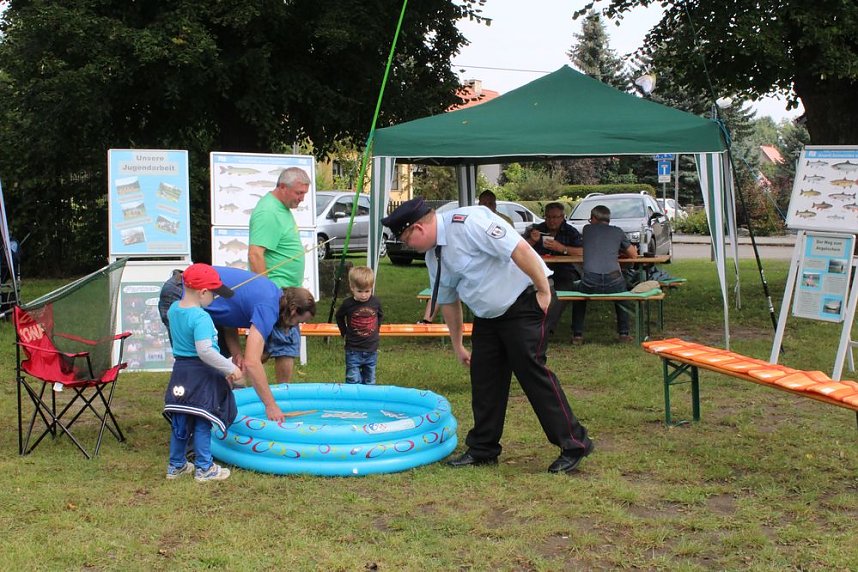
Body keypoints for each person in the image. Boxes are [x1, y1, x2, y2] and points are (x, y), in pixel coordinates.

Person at [381, 197, 593, 474]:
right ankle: (483, 448)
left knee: (531, 371)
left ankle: (574, 443)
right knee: (485, 379)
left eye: (408, 240)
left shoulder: (469, 223)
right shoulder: (435, 255)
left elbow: (518, 249)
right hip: (488, 317)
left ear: (418, 229)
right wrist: (457, 344)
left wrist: (543, 290)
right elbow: (448, 301)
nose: (410, 247)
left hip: (523, 302)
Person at [160, 266, 317, 422]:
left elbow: (229, 316)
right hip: (183, 290)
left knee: (212, 361)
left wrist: (236, 354)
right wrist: (271, 405)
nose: (294, 327)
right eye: (299, 322)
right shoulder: (268, 307)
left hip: (186, 285)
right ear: (294, 310)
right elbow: (253, 362)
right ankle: (186, 422)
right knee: (192, 362)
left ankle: (207, 416)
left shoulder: (271, 294)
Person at [163, 264, 242, 482]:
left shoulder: (173, 310)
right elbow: (205, 351)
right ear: (203, 292)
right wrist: (230, 368)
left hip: (180, 372)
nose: (215, 298)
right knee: (201, 420)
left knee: (181, 419)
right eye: (214, 294)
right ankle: (205, 468)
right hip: (201, 374)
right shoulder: (201, 318)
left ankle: (176, 464)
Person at [249, 166, 311, 383]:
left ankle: (235, 378)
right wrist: (269, 293)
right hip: (278, 292)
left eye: (304, 193)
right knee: (285, 345)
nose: (302, 199)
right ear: (283, 187)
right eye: (299, 193)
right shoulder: (269, 212)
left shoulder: (281, 208)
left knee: (269, 348)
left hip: (285, 291)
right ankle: (282, 396)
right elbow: (255, 254)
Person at [570, 205, 638, 344]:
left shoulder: (587, 229)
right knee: (622, 293)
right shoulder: (618, 232)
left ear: (593, 218)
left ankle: (577, 334)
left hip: (590, 280)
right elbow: (633, 255)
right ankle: (623, 333)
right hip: (613, 279)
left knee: (578, 294)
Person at [524, 202, 583, 335]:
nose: (551, 221)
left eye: (555, 217)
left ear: (562, 217)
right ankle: (530, 325)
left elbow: (583, 252)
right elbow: (518, 248)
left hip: (564, 270)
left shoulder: (570, 231)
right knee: (529, 290)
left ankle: (546, 327)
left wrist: (561, 248)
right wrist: (533, 241)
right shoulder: (536, 230)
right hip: (539, 270)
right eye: (548, 217)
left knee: (562, 291)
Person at [335, 266, 383, 385]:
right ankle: (352, 402)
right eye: (360, 291)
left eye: (367, 291)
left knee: (370, 380)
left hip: (371, 348)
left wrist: (376, 330)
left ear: (371, 288)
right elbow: (339, 316)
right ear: (352, 288)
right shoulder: (348, 304)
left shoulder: (375, 302)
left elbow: (380, 315)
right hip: (353, 349)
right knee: (352, 379)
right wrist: (344, 332)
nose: (364, 295)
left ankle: (368, 402)